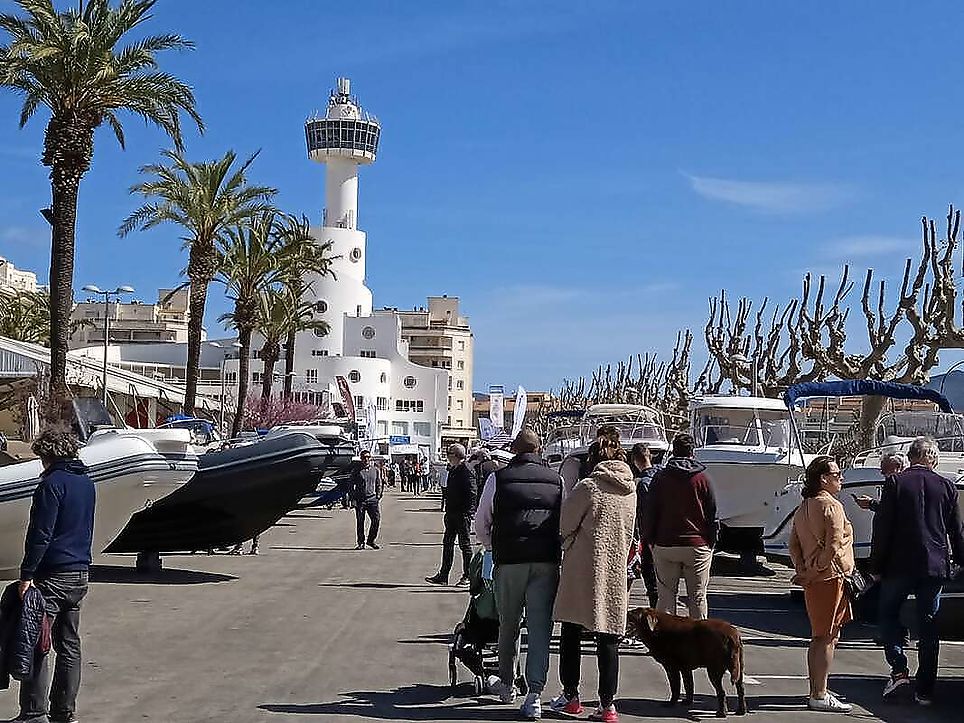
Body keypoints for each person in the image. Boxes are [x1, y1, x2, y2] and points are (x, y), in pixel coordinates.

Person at [475, 430, 563, 720]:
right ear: (539, 449)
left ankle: (507, 684)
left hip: (509, 560)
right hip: (546, 561)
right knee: (540, 628)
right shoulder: (557, 480)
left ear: (513, 450)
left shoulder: (497, 478)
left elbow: (481, 522)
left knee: (508, 625)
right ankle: (535, 694)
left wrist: (492, 547)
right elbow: (563, 521)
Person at [869, 436, 964, 706]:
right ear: (933, 459)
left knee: (887, 614)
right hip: (934, 565)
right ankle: (925, 689)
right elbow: (955, 531)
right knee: (929, 624)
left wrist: (876, 566)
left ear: (910, 457)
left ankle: (898, 667)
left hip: (898, 564)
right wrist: (960, 560)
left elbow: (883, 528)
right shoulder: (947, 486)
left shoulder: (895, 483)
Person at [549, 435, 636, 723]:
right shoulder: (629, 490)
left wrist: (570, 541)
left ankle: (571, 696)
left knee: (571, 631)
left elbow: (564, 522)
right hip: (613, 569)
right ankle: (608, 704)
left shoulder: (589, 487)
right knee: (609, 636)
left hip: (582, 567)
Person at [16, 426, 96, 723]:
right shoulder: (86, 483)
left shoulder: (51, 485)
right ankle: (65, 711)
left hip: (53, 575)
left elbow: (41, 534)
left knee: (38, 641)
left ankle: (34, 711)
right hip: (80, 573)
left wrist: (27, 574)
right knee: (69, 645)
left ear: (47, 455)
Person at [788, 455, 855, 713]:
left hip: (813, 579)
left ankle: (817, 687)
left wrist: (802, 568)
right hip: (830, 577)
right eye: (837, 475)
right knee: (827, 637)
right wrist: (816, 569)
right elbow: (834, 544)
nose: (841, 479)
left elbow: (793, 543)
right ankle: (819, 693)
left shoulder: (804, 506)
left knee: (819, 636)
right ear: (823, 479)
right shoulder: (832, 506)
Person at [642, 432, 718, 620]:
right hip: (697, 543)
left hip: (665, 543)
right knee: (698, 598)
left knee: (666, 597)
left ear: (673, 452)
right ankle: (700, 644)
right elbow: (712, 513)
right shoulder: (703, 478)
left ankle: (666, 644)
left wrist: (649, 540)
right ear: (692, 452)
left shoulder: (660, 478)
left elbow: (650, 512)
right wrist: (711, 542)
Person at [426, 444, 476, 587]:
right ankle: (443, 575)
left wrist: (469, 512)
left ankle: (467, 575)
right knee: (448, 544)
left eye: (449, 454)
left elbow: (472, 492)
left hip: (462, 514)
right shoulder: (454, 469)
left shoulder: (466, 470)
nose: (447, 456)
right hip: (452, 512)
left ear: (455, 455)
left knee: (465, 545)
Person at [627, 443, 659, 608]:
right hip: (665, 536)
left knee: (652, 585)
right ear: (650, 456)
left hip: (648, 539)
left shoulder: (641, 484)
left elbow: (641, 516)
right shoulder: (662, 477)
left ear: (634, 461)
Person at [351, 451, 383, 550]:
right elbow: (350, 485)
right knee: (360, 522)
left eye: (368, 457)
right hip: (360, 500)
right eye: (364, 457)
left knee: (376, 520)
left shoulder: (375, 470)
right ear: (361, 458)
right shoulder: (356, 471)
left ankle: (371, 540)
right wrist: (353, 499)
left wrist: (378, 495)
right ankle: (361, 542)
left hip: (372, 499)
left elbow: (379, 483)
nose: (366, 459)